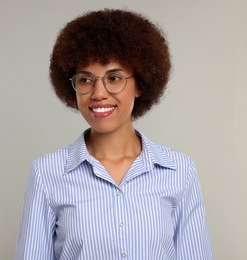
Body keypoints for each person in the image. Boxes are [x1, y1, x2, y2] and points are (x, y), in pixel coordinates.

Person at [15, 9, 213, 260]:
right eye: (86, 80)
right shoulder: (47, 173)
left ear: (140, 84)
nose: (98, 93)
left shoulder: (179, 171)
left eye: (114, 78)